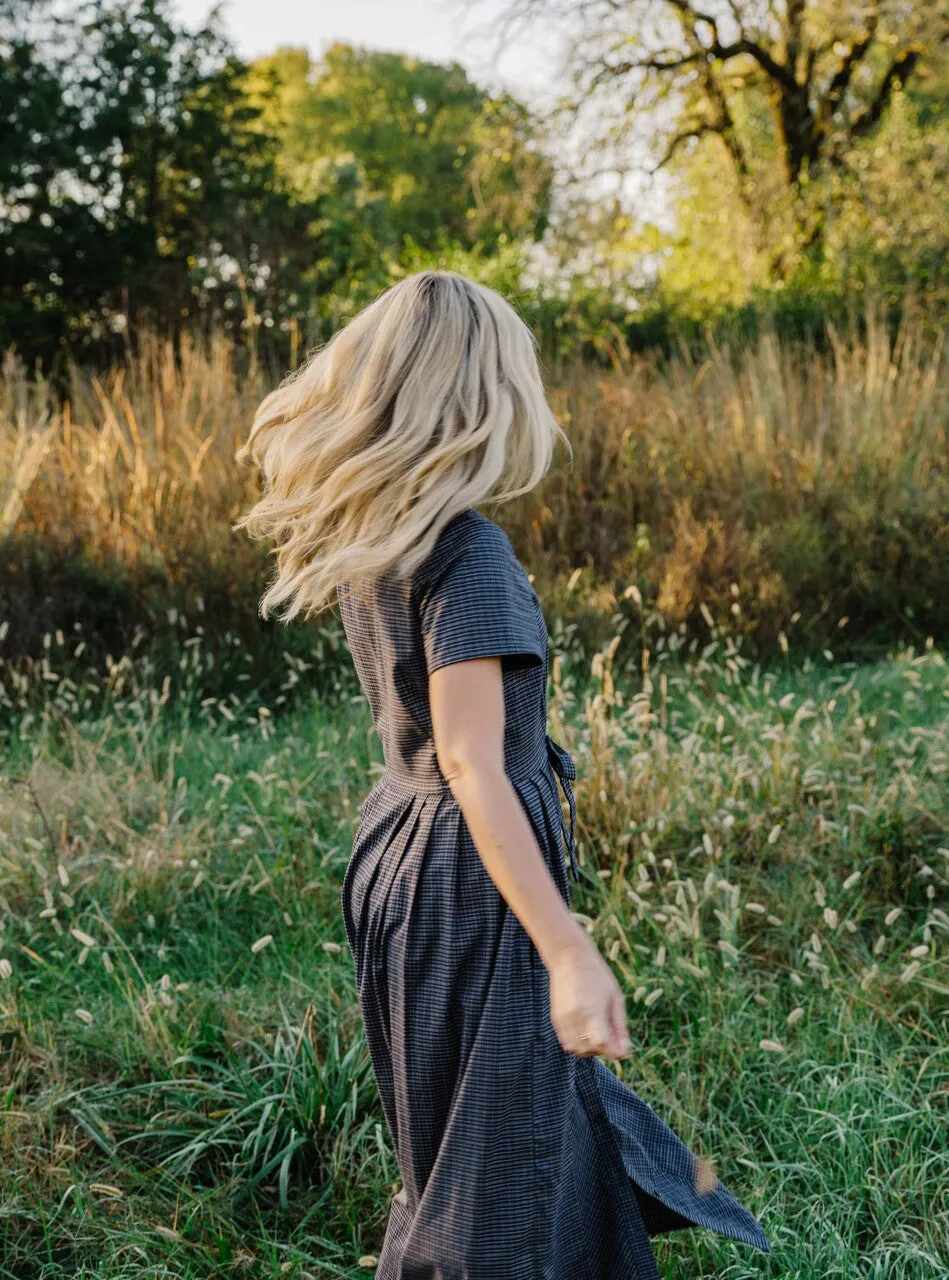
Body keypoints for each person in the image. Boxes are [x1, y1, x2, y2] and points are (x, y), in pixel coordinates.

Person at [235, 270, 771, 1278]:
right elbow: (473, 761)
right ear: (487, 396)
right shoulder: (468, 554)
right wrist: (567, 947)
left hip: (401, 856)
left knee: (463, 1144)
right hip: (468, 879)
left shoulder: (379, 540)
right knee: (499, 1168)